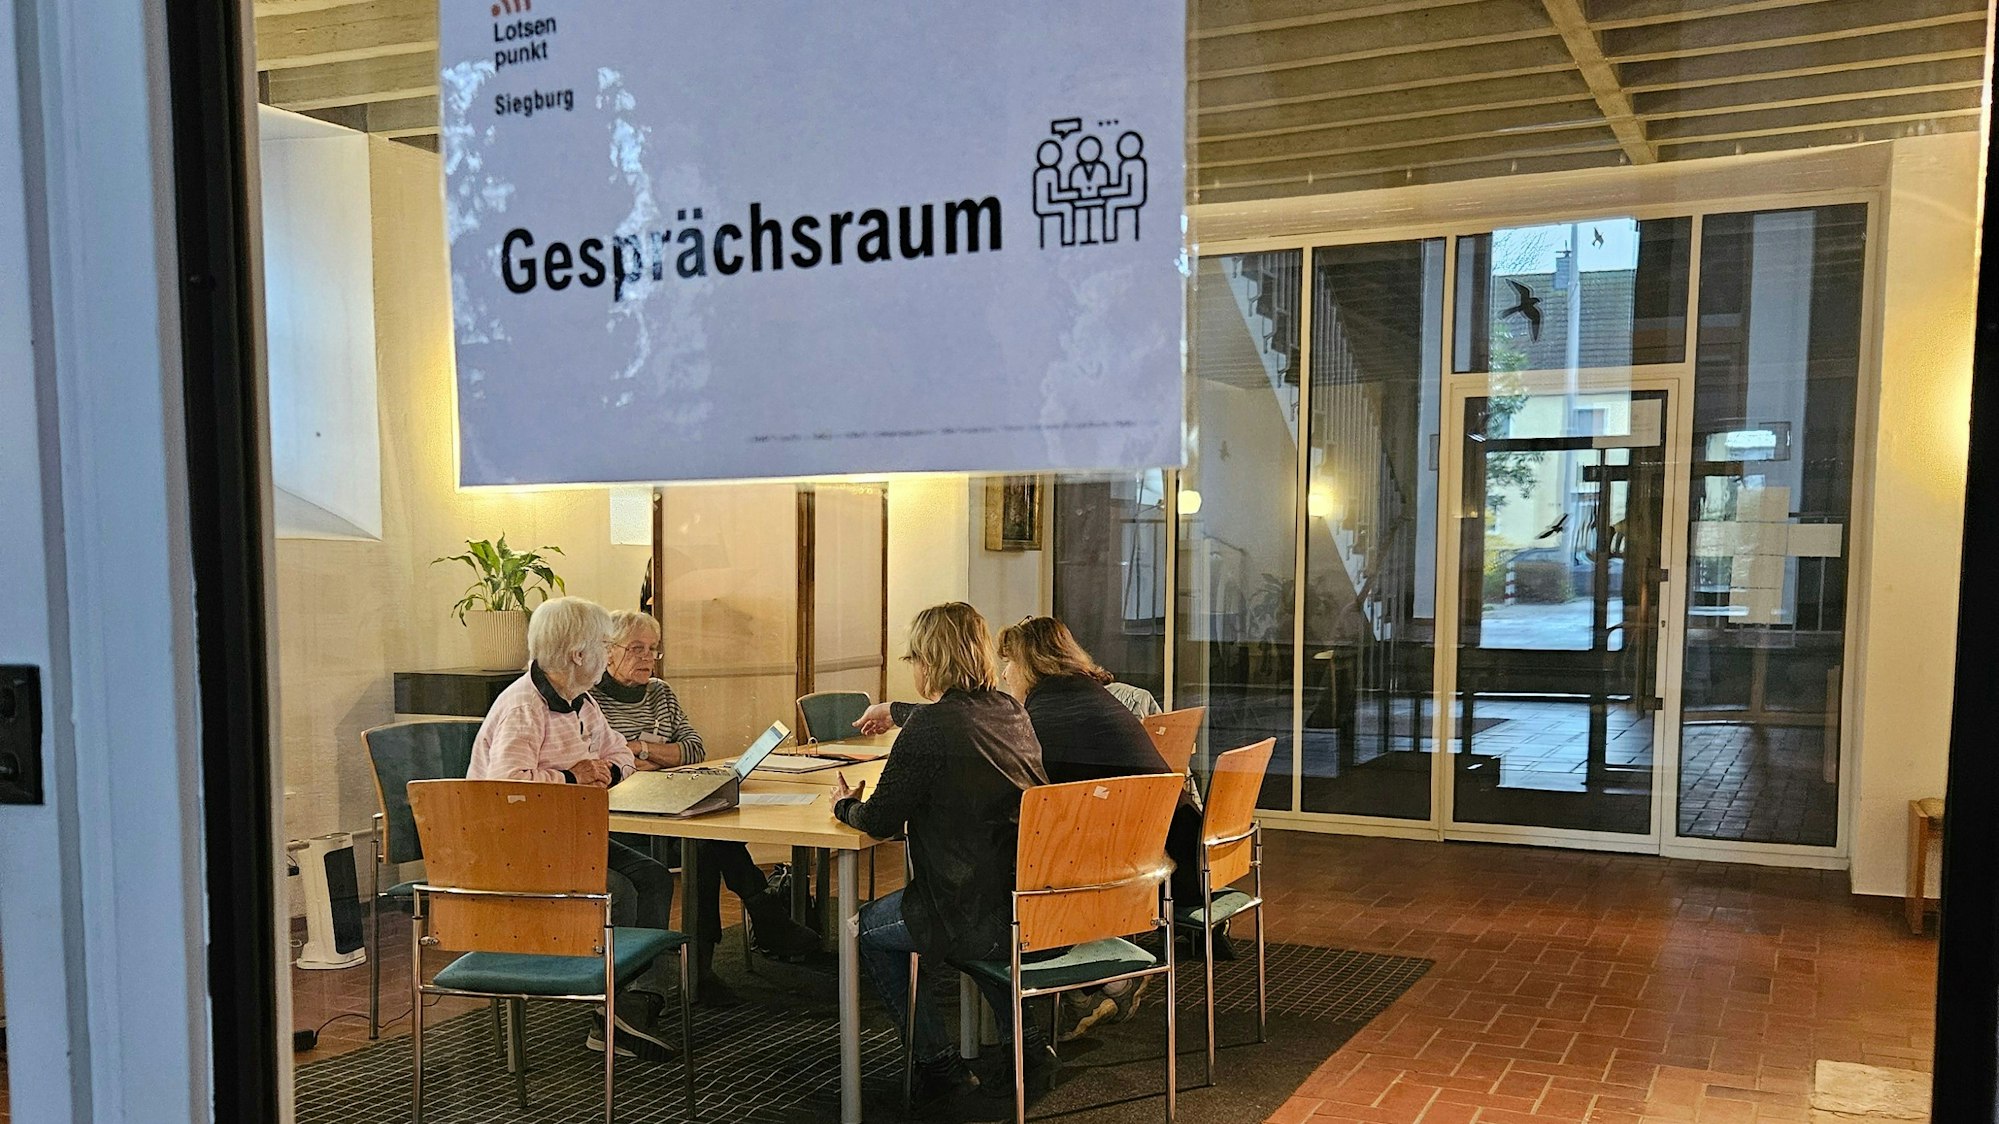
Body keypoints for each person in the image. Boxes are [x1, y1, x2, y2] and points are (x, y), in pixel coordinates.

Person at [856, 615, 1216, 1039]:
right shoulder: (1080, 698)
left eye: (1010, 664)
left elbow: (959, 727)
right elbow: (967, 721)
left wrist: (857, 788)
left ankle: (947, 1055)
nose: (1005, 673)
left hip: (1097, 878)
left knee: (958, 903)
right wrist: (900, 713)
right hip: (1162, 860)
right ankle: (1081, 997)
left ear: (1029, 665)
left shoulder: (1045, 713)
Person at [830, 603, 1052, 1114]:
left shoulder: (930, 730)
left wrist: (843, 805)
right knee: (987, 934)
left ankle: (939, 1066)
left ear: (929, 661)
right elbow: (951, 721)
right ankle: (1031, 1047)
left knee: (864, 930)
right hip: (1021, 900)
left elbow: (880, 820)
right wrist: (898, 711)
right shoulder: (1011, 710)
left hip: (966, 910)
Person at [466, 596, 678, 1061]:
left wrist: (607, 771)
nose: (609, 654)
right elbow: (508, 786)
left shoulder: (580, 701)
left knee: (654, 877)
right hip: (517, 847)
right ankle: (609, 1014)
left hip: (568, 835)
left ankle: (634, 1001)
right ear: (579, 655)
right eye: (605, 645)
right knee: (617, 890)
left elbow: (621, 753)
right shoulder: (525, 706)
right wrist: (572, 776)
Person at [591, 610, 821, 1005]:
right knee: (708, 842)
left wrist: (639, 749)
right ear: (608, 653)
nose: (647, 658)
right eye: (636, 649)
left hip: (667, 802)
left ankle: (706, 962)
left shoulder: (661, 692)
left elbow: (695, 749)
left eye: (653, 650)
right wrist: (649, 758)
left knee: (707, 833)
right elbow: (607, 765)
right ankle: (751, 919)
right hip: (623, 819)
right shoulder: (591, 698)